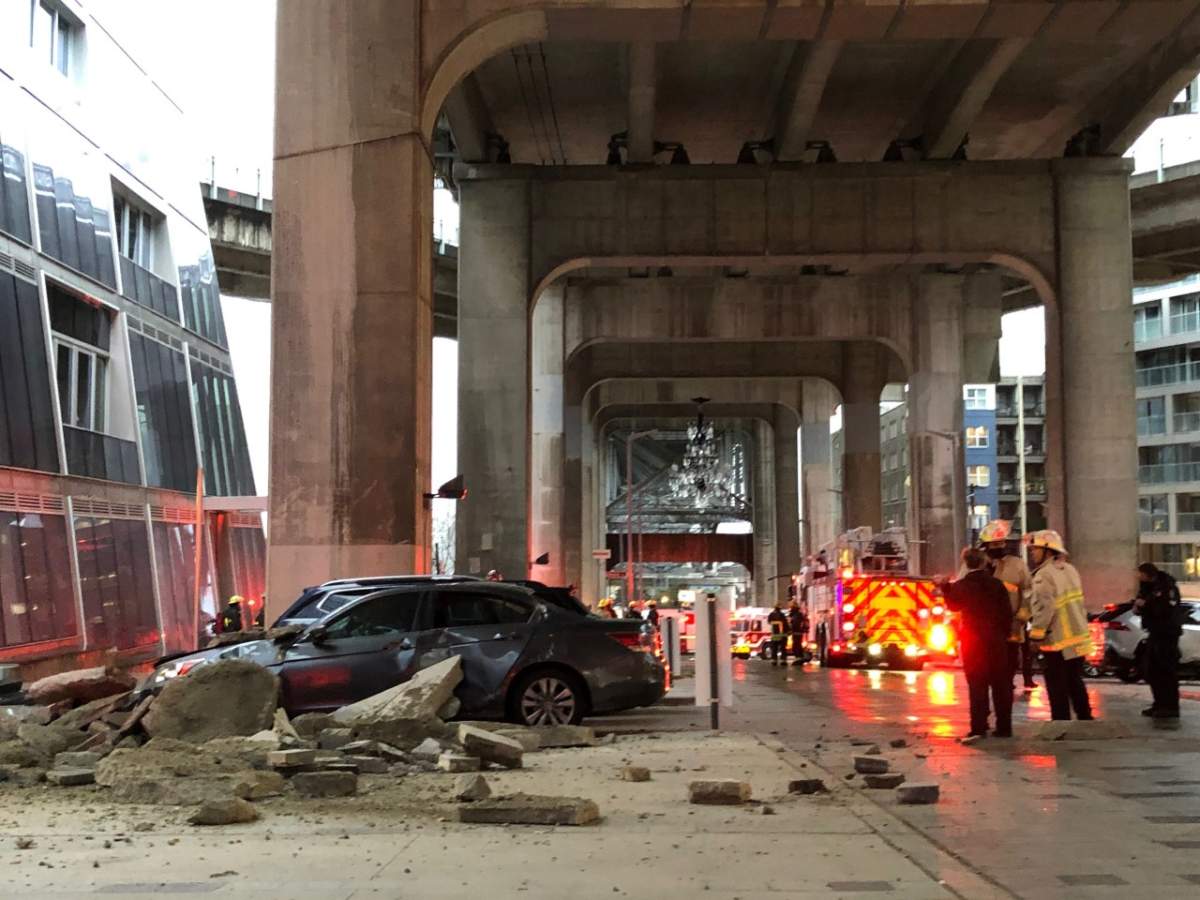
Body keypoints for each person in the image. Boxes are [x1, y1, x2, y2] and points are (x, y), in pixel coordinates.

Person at [940, 548, 1014, 742]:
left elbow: (954, 605)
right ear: (984, 562)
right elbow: (1007, 613)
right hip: (996, 640)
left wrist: (945, 588)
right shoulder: (997, 585)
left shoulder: (962, 586)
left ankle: (979, 727)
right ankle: (1004, 727)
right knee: (1001, 685)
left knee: (977, 684)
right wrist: (1003, 636)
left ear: (966, 563)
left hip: (973, 641)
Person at [1025, 530, 1094, 721]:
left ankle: (1061, 721)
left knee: (1057, 686)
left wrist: (1035, 636)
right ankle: (1085, 719)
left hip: (1057, 641)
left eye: (1035, 549)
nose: (1032, 553)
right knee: (1075, 682)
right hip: (1077, 638)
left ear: (1047, 550)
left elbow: (1044, 608)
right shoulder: (1070, 570)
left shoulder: (1044, 575)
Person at [978, 520, 1036, 692]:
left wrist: (1022, 617)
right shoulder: (975, 565)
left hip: (1011, 624)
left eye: (1002, 543)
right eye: (995, 544)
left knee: (1009, 662)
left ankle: (1006, 687)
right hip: (982, 627)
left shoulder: (1017, 565)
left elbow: (1028, 592)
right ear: (986, 545)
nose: (1000, 547)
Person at [1136, 562, 1183, 720]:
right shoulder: (1147, 588)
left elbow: (1165, 609)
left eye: (1141, 574)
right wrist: (1139, 606)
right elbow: (1141, 605)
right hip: (1154, 632)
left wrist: (1146, 605)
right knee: (1152, 670)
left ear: (1148, 574)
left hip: (1167, 634)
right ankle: (1159, 703)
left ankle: (1170, 706)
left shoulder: (1166, 587)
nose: (1139, 577)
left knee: (1166, 670)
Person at [788, 600, 809, 667]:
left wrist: (791, 629)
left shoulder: (796, 615)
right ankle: (799, 658)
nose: (790, 609)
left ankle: (798, 658)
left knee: (796, 646)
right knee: (797, 645)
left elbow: (795, 624)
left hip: (796, 632)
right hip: (798, 633)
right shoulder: (798, 614)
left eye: (791, 607)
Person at [767, 601, 789, 666]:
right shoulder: (782, 615)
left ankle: (774, 660)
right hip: (782, 635)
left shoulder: (771, 615)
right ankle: (783, 660)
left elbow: (769, 622)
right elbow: (785, 624)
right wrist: (788, 631)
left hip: (774, 634)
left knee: (774, 648)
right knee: (783, 648)